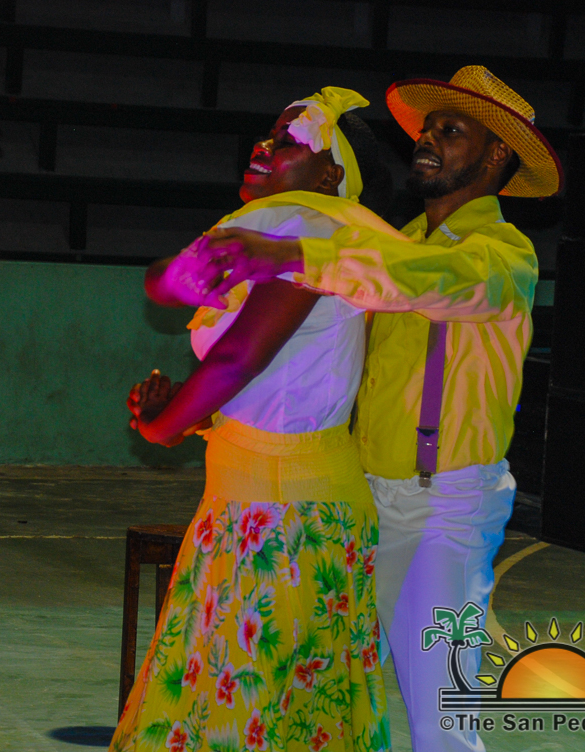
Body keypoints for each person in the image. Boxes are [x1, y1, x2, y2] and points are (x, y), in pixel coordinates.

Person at [186, 66, 562, 752]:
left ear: (497, 156)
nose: (427, 140)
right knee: (327, 697)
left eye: (451, 131)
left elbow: (422, 282)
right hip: (361, 498)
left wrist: (292, 251)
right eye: (428, 128)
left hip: (445, 508)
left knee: (439, 721)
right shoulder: (398, 237)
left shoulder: (504, 256)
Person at [112, 88, 398, 752]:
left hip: (288, 515)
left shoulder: (315, 233)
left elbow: (241, 357)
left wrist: (162, 428)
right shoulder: (272, 236)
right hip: (249, 503)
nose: (264, 148)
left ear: (329, 175)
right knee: (241, 708)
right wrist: (186, 411)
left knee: (250, 711)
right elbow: (263, 371)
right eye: (268, 135)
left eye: (288, 141)